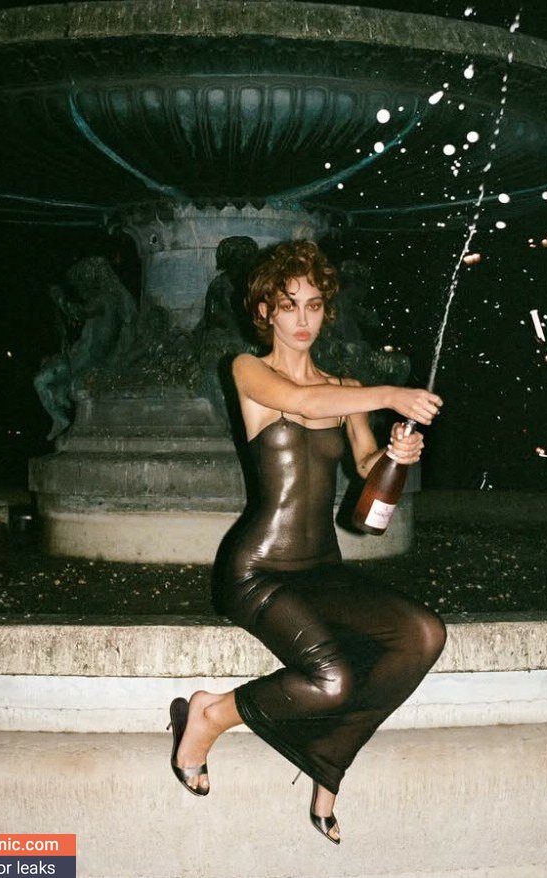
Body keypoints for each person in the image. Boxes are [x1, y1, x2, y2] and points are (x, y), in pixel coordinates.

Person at [167, 240, 446, 845]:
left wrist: (397, 456)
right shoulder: (249, 370)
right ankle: (210, 714)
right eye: (288, 304)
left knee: (423, 635)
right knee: (331, 678)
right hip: (257, 569)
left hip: (322, 567)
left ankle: (329, 763)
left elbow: (367, 466)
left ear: (326, 312)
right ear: (264, 311)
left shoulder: (343, 388)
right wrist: (389, 394)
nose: (302, 319)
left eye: (314, 305)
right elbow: (298, 402)